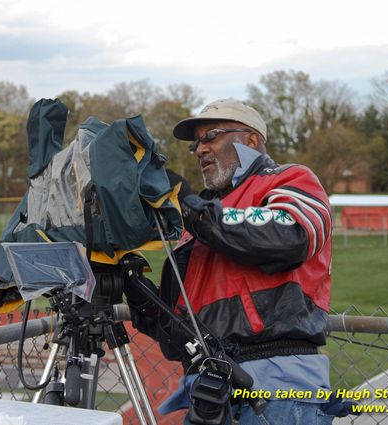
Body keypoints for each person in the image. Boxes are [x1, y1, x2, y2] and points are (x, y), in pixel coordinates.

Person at [125, 98, 335, 424]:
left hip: (276, 381)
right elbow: (177, 329)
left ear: (251, 139)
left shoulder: (289, 178)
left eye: (212, 136)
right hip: (208, 387)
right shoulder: (200, 221)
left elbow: (289, 237)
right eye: (197, 143)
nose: (199, 150)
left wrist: (189, 206)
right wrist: (132, 284)